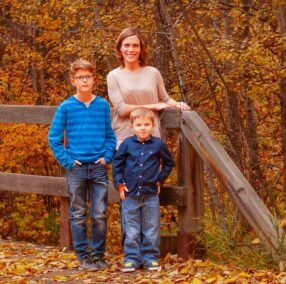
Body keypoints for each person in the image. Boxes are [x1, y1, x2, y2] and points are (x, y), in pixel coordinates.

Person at [48, 59, 116, 271]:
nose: (84, 80)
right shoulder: (66, 107)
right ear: (73, 81)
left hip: (98, 168)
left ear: (94, 79)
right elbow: (54, 138)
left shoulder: (102, 105)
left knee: (99, 213)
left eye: (88, 76)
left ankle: (98, 255)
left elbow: (110, 136)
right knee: (78, 214)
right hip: (76, 168)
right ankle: (83, 257)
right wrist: (68, 161)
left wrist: (107, 157)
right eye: (80, 77)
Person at [112, 107, 174, 272]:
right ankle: (131, 259)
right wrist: (119, 183)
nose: (143, 128)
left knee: (151, 228)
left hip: (150, 195)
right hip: (130, 194)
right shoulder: (126, 145)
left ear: (153, 126)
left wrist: (160, 179)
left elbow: (169, 162)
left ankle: (150, 258)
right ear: (132, 126)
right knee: (131, 229)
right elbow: (117, 164)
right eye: (139, 125)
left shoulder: (158, 145)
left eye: (147, 124)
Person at [107, 27, 191, 148]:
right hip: (125, 139)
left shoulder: (153, 73)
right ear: (120, 48)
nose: (131, 49)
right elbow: (122, 109)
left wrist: (178, 104)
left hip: (151, 137)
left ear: (141, 49)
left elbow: (166, 99)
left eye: (135, 45)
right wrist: (153, 106)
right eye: (126, 45)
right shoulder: (113, 76)